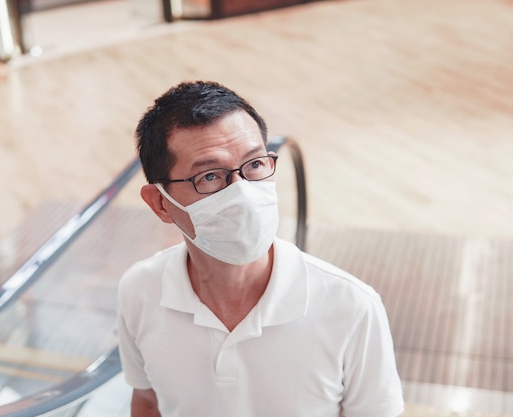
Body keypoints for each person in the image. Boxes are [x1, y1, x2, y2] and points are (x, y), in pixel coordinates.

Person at [117, 80, 404, 417]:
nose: (243, 194)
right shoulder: (139, 291)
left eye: (254, 165)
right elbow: (148, 403)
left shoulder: (352, 306)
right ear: (160, 204)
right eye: (209, 176)